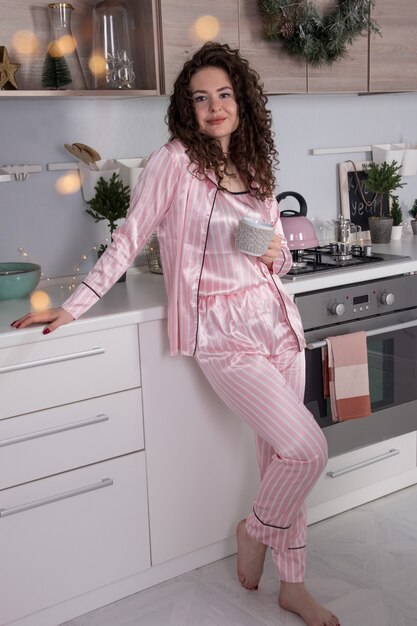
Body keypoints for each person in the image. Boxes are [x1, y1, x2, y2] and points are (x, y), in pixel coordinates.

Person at [11, 42, 339, 626]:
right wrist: (73, 306)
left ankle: (293, 586)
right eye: (200, 98)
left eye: (224, 94)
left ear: (241, 101)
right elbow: (129, 239)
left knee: (281, 462)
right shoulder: (175, 162)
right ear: (188, 109)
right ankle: (253, 532)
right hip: (223, 332)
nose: (214, 106)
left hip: (276, 322)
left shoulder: (256, 163)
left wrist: (276, 253)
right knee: (308, 448)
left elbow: (279, 258)